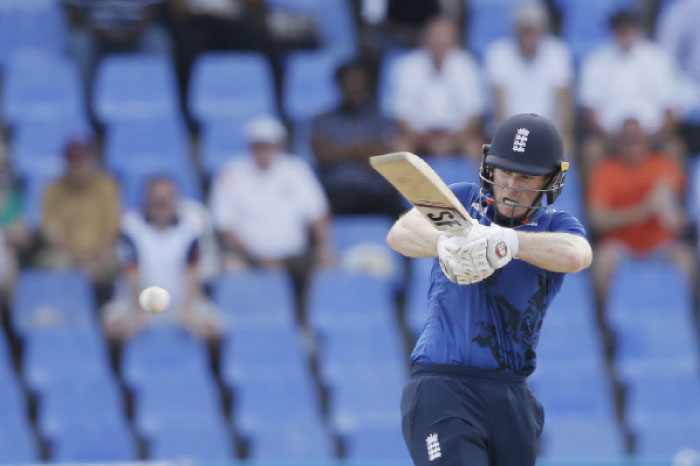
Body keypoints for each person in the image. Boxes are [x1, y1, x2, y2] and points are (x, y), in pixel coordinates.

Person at [387, 113, 592, 465]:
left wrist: (508, 242)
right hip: (443, 386)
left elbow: (577, 255)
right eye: (504, 172)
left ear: (550, 180)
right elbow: (401, 234)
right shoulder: (464, 203)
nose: (511, 185)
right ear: (488, 168)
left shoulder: (555, 224)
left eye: (525, 176)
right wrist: (446, 242)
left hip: (511, 396)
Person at [209, 115, 333, 312]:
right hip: (249, 257)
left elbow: (317, 212)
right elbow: (224, 226)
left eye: (269, 145)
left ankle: (308, 325)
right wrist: (259, 257)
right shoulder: (231, 174)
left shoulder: (296, 169)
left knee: (327, 267)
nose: (264, 151)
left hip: (296, 256)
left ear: (279, 146)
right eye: (259, 145)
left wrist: (324, 247)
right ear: (249, 146)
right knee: (231, 268)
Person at [587, 118, 695, 318]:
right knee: (602, 261)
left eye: (637, 138)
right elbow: (597, 218)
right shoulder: (605, 170)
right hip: (620, 244)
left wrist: (670, 212)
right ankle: (602, 327)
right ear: (618, 143)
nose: (633, 143)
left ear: (646, 141)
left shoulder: (662, 165)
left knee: (686, 259)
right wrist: (640, 212)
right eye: (627, 139)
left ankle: (692, 321)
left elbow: (674, 212)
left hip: (660, 243)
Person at [103, 177, 222, 343]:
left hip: (182, 300)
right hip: (134, 301)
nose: (161, 205)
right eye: (156, 200)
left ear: (175, 200)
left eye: (166, 199)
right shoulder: (130, 225)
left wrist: (186, 310)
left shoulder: (191, 226)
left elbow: (192, 270)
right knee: (114, 326)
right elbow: (131, 270)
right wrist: (139, 311)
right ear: (146, 200)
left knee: (213, 327)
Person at [579, 8, 679, 170]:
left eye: (629, 26)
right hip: (610, 136)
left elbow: (671, 110)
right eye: (621, 27)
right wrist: (613, 139)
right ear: (613, 29)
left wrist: (650, 139)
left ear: (638, 27)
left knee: (674, 148)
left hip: (652, 135)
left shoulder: (658, 58)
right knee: (591, 150)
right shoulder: (596, 60)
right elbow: (590, 110)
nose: (625, 32)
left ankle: (672, 195)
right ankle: (594, 195)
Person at [311, 59, 403, 218]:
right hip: (338, 191)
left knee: (405, 215)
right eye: (349, 82)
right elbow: (321, 154)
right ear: (339, 85)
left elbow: (386, 155)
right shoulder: (323, 120)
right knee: (314, 213)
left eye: (358, 82)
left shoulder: (380, 119)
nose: (354, 87)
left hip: (374, 191)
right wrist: (360, 150)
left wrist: (339, 151)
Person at [484, 1, 573, 151]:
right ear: (515, 30)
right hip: (509, 132)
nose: (528, 35)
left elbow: (563, 106)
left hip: (548, 133)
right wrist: (514, 138)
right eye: (524, 30)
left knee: (566, 146)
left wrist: (555, 137)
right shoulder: (498, 53)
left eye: (532, 30)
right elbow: (500, 109)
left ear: (542, 29)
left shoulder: (558, 52)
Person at [390, 16, 484, 157]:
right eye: (436, 37)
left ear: (454, 41)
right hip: (419, 136)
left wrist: (451, 142)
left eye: (445, 38)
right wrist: (425, 142)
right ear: (426, 39)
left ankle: (477, 180)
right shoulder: (407, 66)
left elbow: (473, 117)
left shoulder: (467, 65)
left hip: (457, 136)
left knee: (477, 148)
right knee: (399, 148)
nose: (440, 42)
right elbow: (402, 118)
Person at [39, 138, 120, 302]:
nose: (80, 169)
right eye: (75, 164)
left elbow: (113, 229)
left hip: (102, 252)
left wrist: (97, 259)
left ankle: (113, 309)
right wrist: (83, 262)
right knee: (54, 263)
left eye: (84, 163)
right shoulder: (52, 190)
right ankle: (64, 307)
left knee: (120, 260)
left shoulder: (106, 186)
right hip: (69, 255)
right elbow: (53, 234)